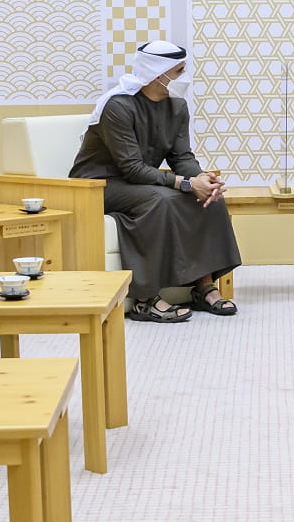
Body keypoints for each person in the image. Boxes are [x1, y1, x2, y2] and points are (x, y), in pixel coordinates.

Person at [70, 41, 243, 322]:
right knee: (161, 201)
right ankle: (145, 299)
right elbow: (132, 168)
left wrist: (200, 179)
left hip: (139, 182)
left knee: (206, 200)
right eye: (178, 71)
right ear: (156, 73)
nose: (183, 78)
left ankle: (204, 286)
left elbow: (181, 156)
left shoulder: (177, 106)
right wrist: (185, 184)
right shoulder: (118, 106)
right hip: (98, 185)